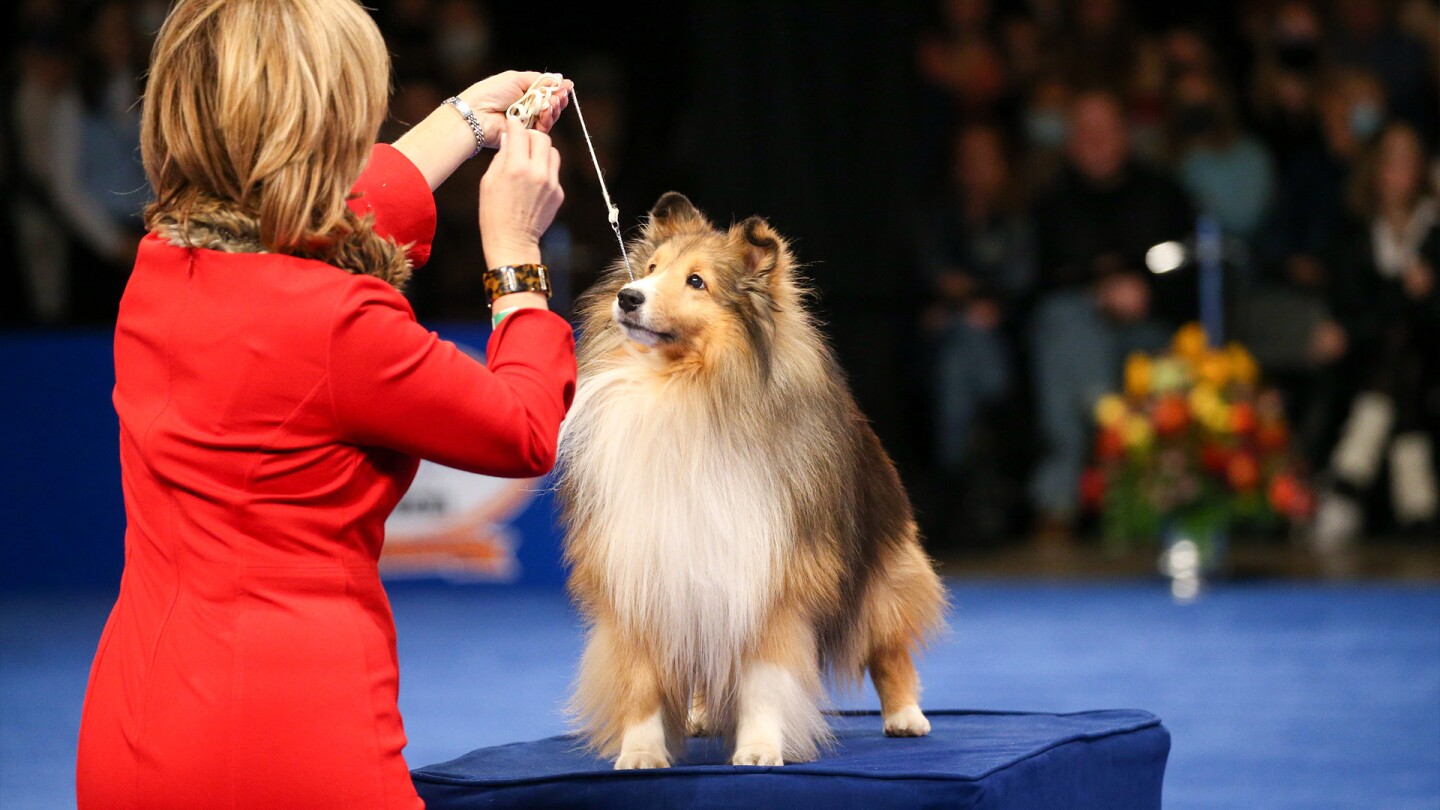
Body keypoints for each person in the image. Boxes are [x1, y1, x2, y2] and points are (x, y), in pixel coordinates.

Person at [74, 1, 575, 807]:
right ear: (329, 124)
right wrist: (516, 253)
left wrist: (460, 123)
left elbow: (305, 212)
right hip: (288, 737)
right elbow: (521, 429)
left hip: (131, 726)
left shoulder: (160, 262)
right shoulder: (340, 322)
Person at [1026, 89, 1195, 542]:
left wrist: (1147, 293)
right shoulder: (1049, 202)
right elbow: (1033, 284)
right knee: (1066, 329)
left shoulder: (1165, 193)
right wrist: (1097, 290)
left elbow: (1194, 274)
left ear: (1126, 134)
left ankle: (1141, 493)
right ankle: (1066, 494)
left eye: (1105, 128)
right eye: (1085, 130)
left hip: (1152, 325)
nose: (1096, 139)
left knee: (1170, 358)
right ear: (1069, 140)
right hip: (1078, 331)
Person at [1314, 122, 1439, 545]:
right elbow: (1349, 307)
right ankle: (1417, 506)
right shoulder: (1355, 230)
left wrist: (1428, 294)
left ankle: (1346, 483)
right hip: (1367, 353)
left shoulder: (1435, 230)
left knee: (1403, 355)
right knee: (1395, 359)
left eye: (1409, 159)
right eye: (1391, 159)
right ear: (1375, 167)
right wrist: (1403, 293)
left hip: (1428, 352)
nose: (1399, 171)